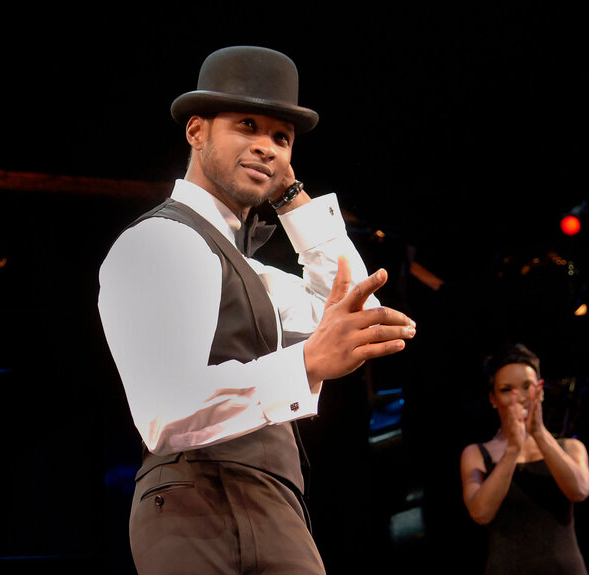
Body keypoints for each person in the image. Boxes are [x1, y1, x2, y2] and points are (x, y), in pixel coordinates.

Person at [97, 45, 416, 574]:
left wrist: (290, 194)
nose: (267, 147)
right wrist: (307, 364)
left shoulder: (247, 269)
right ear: (196, 132)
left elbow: (361, 312)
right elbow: (163, 411)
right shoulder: (161, 241)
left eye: (281, 138)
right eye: (247, 125)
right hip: (197, 499)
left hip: (273, 501)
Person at [459, 343, 589, 574]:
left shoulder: (571, 447)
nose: (518, 397)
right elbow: (480, 513)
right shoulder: (477, 453)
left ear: (539, 390)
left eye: (526, 387)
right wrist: (512, 449)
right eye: (506, 389)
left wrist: (539, 434)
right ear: (493, 398)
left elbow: (579, 490)